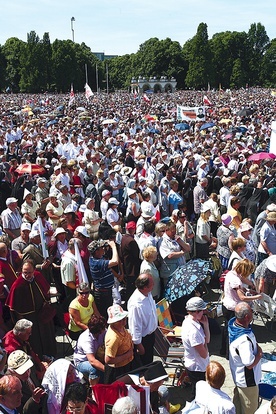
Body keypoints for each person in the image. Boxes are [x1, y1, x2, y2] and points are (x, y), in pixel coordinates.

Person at [6, 259, 57, 358]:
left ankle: (50, 355)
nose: (27, 275)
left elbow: (46, 291)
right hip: (30, 318)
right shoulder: (17, 285)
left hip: (43, 313)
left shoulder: (38, 276)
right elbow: (15, 309)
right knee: (35, 341)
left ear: (34, 270)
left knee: (47, 337)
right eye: (25, 272)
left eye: (29, 272)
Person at [221, 259, 262, 358]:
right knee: (232, 332)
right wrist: (257, 297)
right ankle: (229, 354)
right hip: (233, 308)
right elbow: (242, 297)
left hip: (226, 304)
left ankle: (223, 350)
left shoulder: (231, 273)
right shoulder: (236, 280)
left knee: (226, 329)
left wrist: (248, 290)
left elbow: (239, 290)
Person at [228, 302, 262, 414]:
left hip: (238, 377)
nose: (253, 312)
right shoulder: (243, 341)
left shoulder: (233, 325)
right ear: (247, 317)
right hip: (248, 382)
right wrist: (259, 355)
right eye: (251, 310)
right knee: (250, 410)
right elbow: (249, 364)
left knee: (238, 406)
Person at [181, 297, 210, 402]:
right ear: (197, 311)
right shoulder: (193, 331)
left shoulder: (191, 321)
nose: (204, 312)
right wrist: (206, 347)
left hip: (197, 365)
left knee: (196, 392)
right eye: (202, 310)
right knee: (198, 396)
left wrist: (206, 325)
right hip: (197, 367)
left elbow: (207, 340)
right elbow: (204, 354)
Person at [127, 273, 158, 366]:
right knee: (144, 366)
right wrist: (139, 346)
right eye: (152, 284)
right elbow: (134, 326)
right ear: (145, 287)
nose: (154, 286)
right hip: (144, 341)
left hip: (151, 336)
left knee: (150, 363)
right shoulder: (136, 304)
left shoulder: (147, 294)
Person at [88, 239, 119, 319]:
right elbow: (115, 261)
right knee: (105, 316)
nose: (103, 249)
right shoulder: (96, 263)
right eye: (101, 248)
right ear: (96, 252)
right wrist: (113, 247)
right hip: (102, 295)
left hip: (106, 292)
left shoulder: (96, 258)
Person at [104, 304, 134, 384]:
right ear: (113, 322)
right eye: (120, 320)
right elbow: (108, 360)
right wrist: (127, 355)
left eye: (124, 318)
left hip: (127, 365)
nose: (124, 321)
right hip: (118, 371)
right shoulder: (113, 338)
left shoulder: (121, 327)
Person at [73, 315, 106, 385]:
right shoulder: (86, 339)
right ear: (99, 330)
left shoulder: (103, 332)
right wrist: (107, 370)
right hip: (82, 362)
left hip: (97, 357)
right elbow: (92, 361)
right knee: (94, 369)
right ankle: (93, 389)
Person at [159, 221, 190, 288]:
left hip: (180, 269)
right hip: (170, 271)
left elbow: (188, 248)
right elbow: (170, 255)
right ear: (166, 230)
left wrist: (180, 241)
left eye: (175, 231)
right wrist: (182, 252)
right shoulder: (163, 241)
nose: (174, 233)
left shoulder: (176, 238)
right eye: (172, 232)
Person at [120, 221, 142, 304]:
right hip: (132, 269)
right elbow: (136, 255)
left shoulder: (124, 238)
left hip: (126, 266)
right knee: (131, 289)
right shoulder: (131, 241)